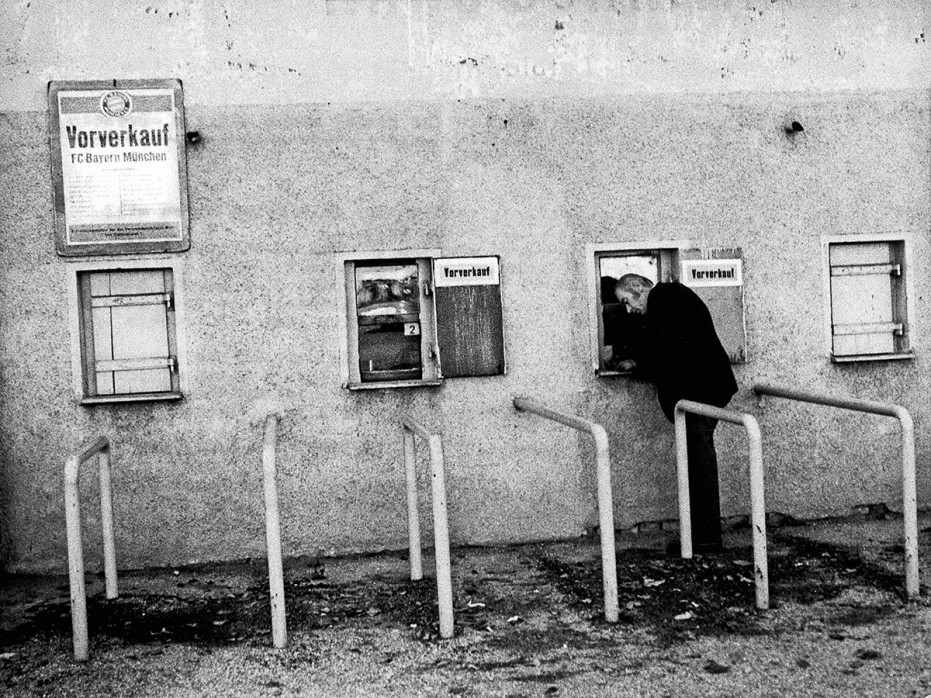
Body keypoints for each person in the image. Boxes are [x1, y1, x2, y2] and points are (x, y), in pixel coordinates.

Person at [614, 273, 738, 554]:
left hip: (699, 394)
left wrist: (638, 363)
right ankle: (700, 536)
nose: (628, 310)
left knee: (699, 465)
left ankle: (705, 539)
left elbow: (666, 349)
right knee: (696, 463)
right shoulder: (670, 300)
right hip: (702, 391)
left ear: (638, 289)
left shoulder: (666, 299)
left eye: (626, 301)